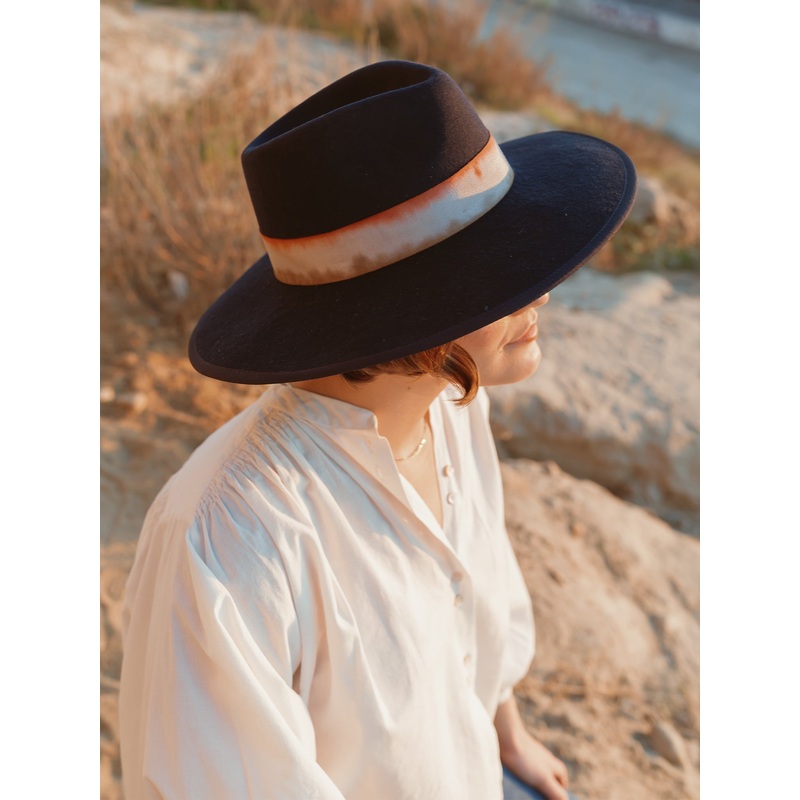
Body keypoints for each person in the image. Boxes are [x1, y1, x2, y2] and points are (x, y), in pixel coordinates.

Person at [119, 60, 636, 800]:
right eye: (502, 277)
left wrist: (505, 738)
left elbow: (467, 617)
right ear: (411, 312)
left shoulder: (451, 406)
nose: (543, 293)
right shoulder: (231, 536)